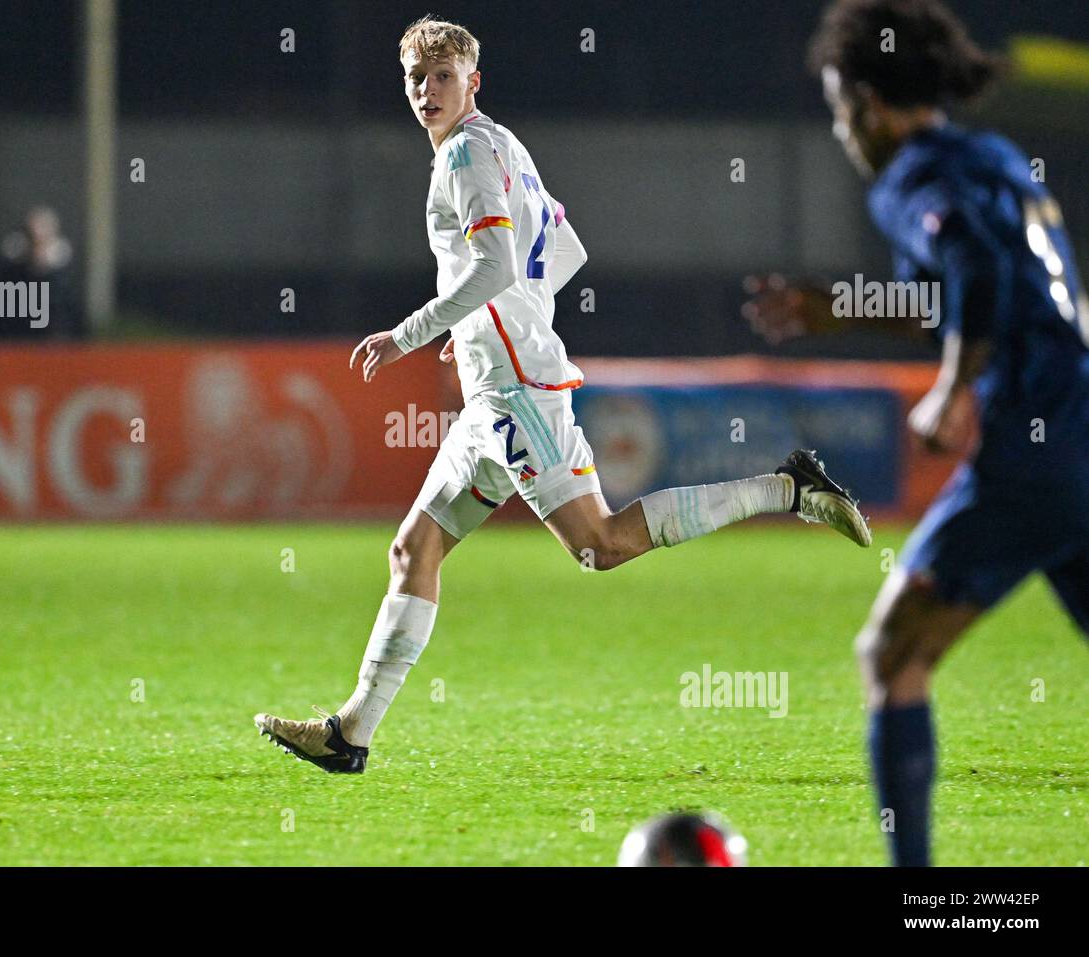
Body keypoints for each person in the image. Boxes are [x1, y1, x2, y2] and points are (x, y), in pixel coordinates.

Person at [255, 15, 871, 775]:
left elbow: (495, 267)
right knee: (414, 547)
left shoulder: (465, 155)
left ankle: (789, 488)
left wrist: (411, 334)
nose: (427, 90)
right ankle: (351, 732)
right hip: (491, 393)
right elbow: (562, 249)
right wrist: (484, 323)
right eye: (416, 78)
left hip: (517, 393)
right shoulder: (500, 145)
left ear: (472, 82)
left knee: (599, 545)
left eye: (443, 77)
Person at [744, 0, 1089, 865]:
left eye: (838, 109)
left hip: (1038, 444)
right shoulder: (992, 157)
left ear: (868, 103)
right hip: (1078, 424)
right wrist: (837, 312)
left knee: (892, 653)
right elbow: (962, 292)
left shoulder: (912, 177)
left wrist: (951, 387)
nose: (841, 132)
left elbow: (976, 268)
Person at [0, 206, 85, 339]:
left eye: (44, 239)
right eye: (32, 238)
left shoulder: (67, 279)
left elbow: (73, 322)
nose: (38, 247)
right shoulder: (6, 275)